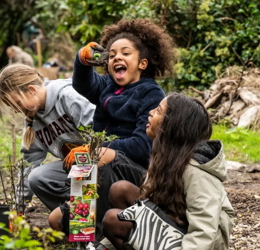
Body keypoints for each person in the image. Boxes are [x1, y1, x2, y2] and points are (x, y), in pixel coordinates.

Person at [48, 18, 177, 242]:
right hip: (100, 162)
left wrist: (102, 150)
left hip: (136, 172)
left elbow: (143, 146)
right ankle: (82, 226)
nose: (117, 57)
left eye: (126, 53)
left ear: (142, 64)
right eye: (112, 55)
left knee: (98, 162)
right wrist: (82, 60)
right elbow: (82, 84)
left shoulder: (150, 93)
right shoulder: (107, 86)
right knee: (54, 221)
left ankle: (97, 236)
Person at [102, 93, 234, 250]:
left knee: (113, 220)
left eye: (158, 111)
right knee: (121, 190)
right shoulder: (166, 158)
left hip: (201, 242)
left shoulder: (196, 170)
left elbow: (205, 228)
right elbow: (145, 207)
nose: (150, 112)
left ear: (173, 125)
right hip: (173, 228)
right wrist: (102, 246)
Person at [0, 63, 96, 215]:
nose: (16, 110)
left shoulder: (68, 97)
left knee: (81, 162)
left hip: (104, 164)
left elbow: (105, 133)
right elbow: (28, 167)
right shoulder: (32, 120)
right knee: (36, 177)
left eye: (17, 103)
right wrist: (17, 210)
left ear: (32, 90)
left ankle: (95, 216)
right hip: (78, 171)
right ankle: (75, 217)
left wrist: (89, 148)